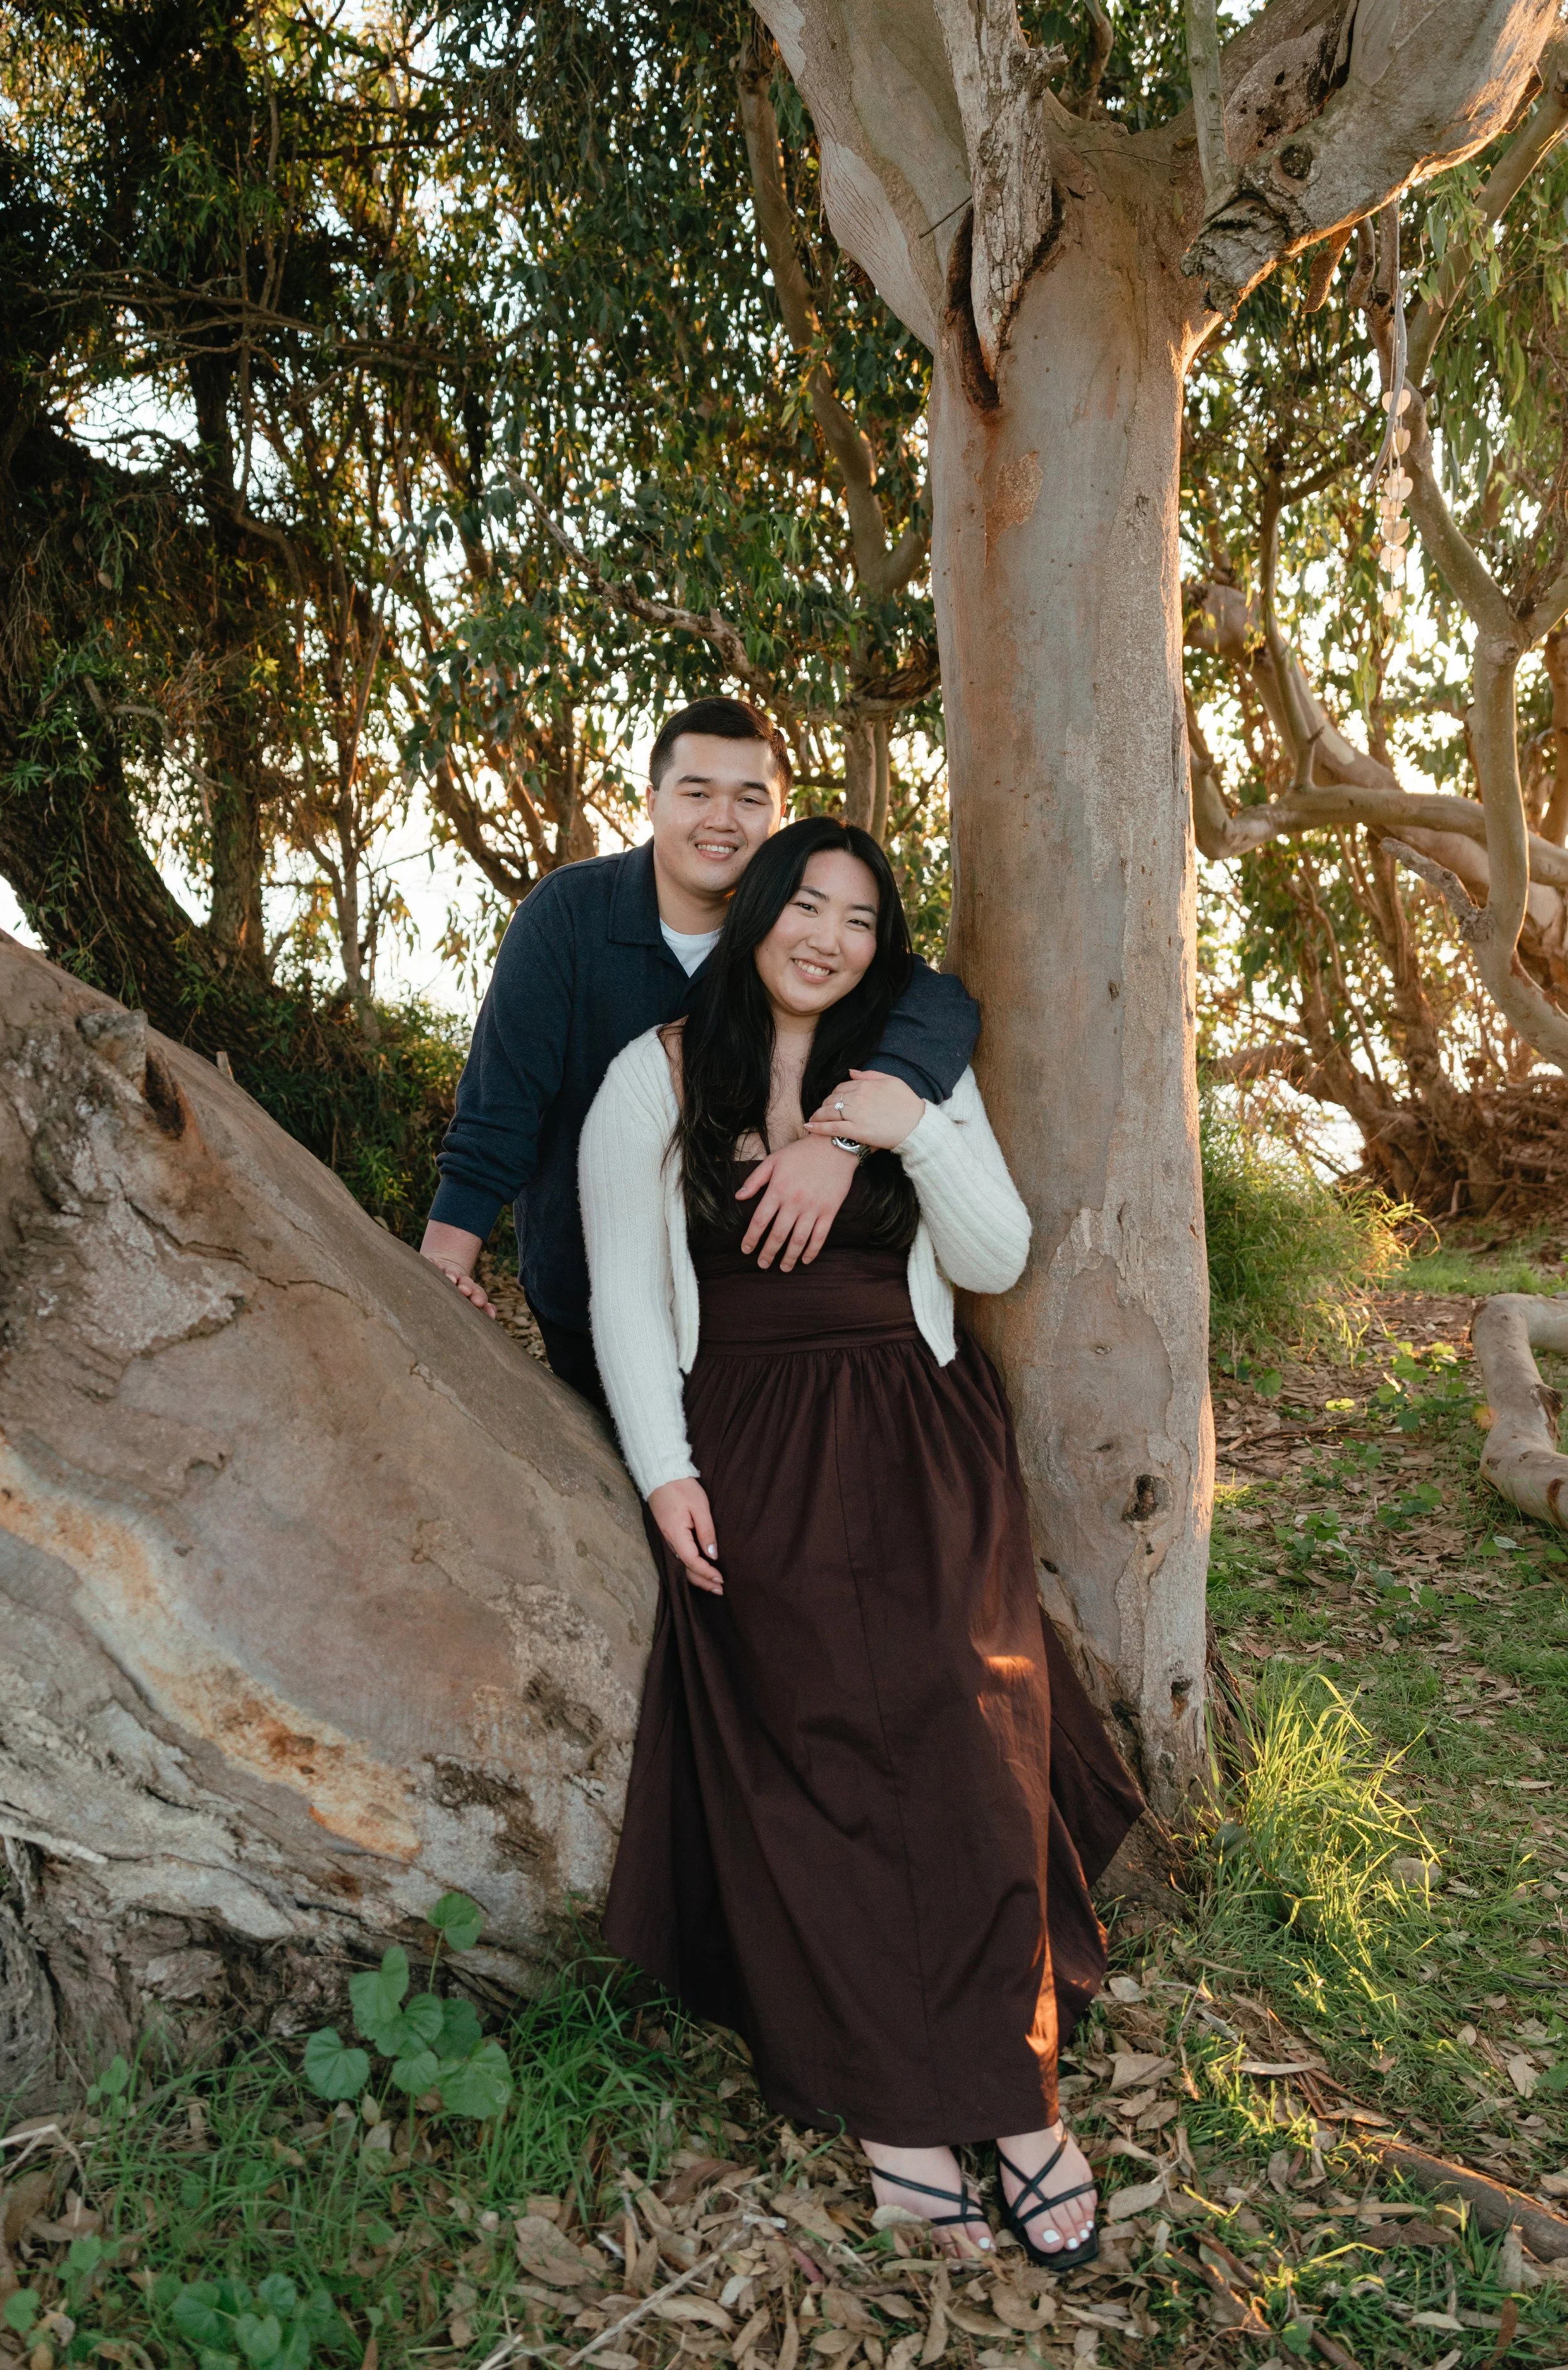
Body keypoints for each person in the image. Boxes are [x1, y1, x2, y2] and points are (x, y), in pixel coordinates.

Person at [578, 817, 1145, 2265]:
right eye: (804, 903)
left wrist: (892, 1130)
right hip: (752, 1447)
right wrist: (664, 1471)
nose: (827, 934)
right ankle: (894, 2115)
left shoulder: (905, 1070)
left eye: (858, 915)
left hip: (921, 1428)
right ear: (758, 909)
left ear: (878, 943)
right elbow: (626, 1299)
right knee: (816, 1753)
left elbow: (996, 1253)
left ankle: (1017, 2102)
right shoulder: (654, 1076)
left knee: (970, 1732)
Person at [418, 698, 980, 1413]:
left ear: (778, 815)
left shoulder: (793, 937)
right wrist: (445, 1266)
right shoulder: (567, 918)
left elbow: (937, 1005)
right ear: (651, 801)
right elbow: (497, 1119)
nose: (722, 819)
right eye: (696, 793)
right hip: (588, 1305)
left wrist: (844, 1138)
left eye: (750, 799)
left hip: (753, 1324)